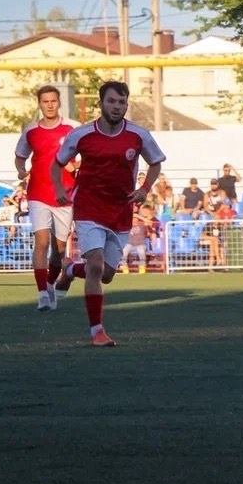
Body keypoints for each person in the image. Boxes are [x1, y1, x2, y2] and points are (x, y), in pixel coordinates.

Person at [50, 81, 166, 347]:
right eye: (112, 101)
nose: (117, 107)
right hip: (88, 208)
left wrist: (144, 189)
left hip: (120, 212)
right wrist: (58, 189)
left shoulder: (138, 135)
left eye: (122, 102)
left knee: (106, 274)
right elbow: (57, 164)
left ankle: (70, 269)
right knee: (95, 264)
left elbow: (156, 163)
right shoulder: (81, 135)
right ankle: (97, 331)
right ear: (101, 103)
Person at [14, 85, 78, 311]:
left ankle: (50, 283)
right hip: (38, 193)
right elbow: (20, 156)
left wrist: (76, 165)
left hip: (64, 195)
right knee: (41, 241)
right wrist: (21, 170)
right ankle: (42, 293)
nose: (50, 105)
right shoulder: (31, 130)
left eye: (53, 101)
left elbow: (89, 155)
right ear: (39, 104)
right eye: (45, 101)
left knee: (59, 250)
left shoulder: (73, 128)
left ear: (59, 102)